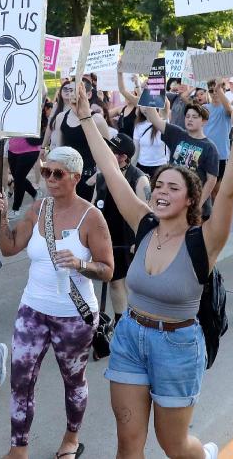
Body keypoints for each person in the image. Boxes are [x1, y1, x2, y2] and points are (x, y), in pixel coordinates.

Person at [75, 83, 233, 459]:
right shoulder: (145, 223)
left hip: (178, 347)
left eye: (173, 187)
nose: (161, 192)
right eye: (159, 185)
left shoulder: (205, 241)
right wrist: (86, 116)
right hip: (130, 337)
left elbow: (229, 193)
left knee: (174, 445)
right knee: (128, 445)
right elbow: (111, 171)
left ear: (190, 199)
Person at [0, 146, 114, 459]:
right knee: (20, 380)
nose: (49, 178)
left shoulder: (92, 217)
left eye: (57, 173)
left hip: (73, 315)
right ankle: (18, 448)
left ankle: (71, 439)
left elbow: (108, 269)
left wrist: (80, 264)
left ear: (75, 177)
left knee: (73, 380)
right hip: (32, 309)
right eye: (46, 171)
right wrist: (3, 215)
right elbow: (9, 248)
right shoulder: (38, 209)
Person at [93, 133, 150, 326]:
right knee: (115, 282)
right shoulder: (102, 176)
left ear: (123, 157)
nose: (107, 152)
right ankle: (120, 323)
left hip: (129, 241)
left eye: (112, 150)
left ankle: (136, 321)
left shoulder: (139, 179)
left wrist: (140, 242)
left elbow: (145, 217)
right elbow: (92, 210)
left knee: (131, 285)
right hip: (108, 238)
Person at [140, 101, 220, 221]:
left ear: (204, 121)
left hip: (196, 206)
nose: (190, 119)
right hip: (174, 200)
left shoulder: (210, 147)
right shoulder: (177, 134)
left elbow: (211, 180)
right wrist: (152, 90)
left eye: (194, 117)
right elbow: (153, 118)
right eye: (187, 116)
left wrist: (197, 204)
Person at [46, 78, 110, 200]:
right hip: (65, 177)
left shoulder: (97, 119)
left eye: (76, 90)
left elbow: (109, 153)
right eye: (70, 90)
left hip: (88, 178)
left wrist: (95, 178)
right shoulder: (61, 117)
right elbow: (59, 150)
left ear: (89, 94)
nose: (72, 94)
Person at [203, 79, 232, 200]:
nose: (214, 93)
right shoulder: (204, 108)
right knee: (204, 190)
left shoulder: (226, 108)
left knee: (217, 191)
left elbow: (230, 110)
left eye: (218, 90)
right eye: (211, 91)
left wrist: (219, 89)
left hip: (221, 155)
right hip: (204, 153)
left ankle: (216, 217)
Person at [7, 135, 42, 220]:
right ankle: (35, 194)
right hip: (12, 149)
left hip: (30, 149)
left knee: (19, 179)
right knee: (18, 177)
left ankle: (16, 208)